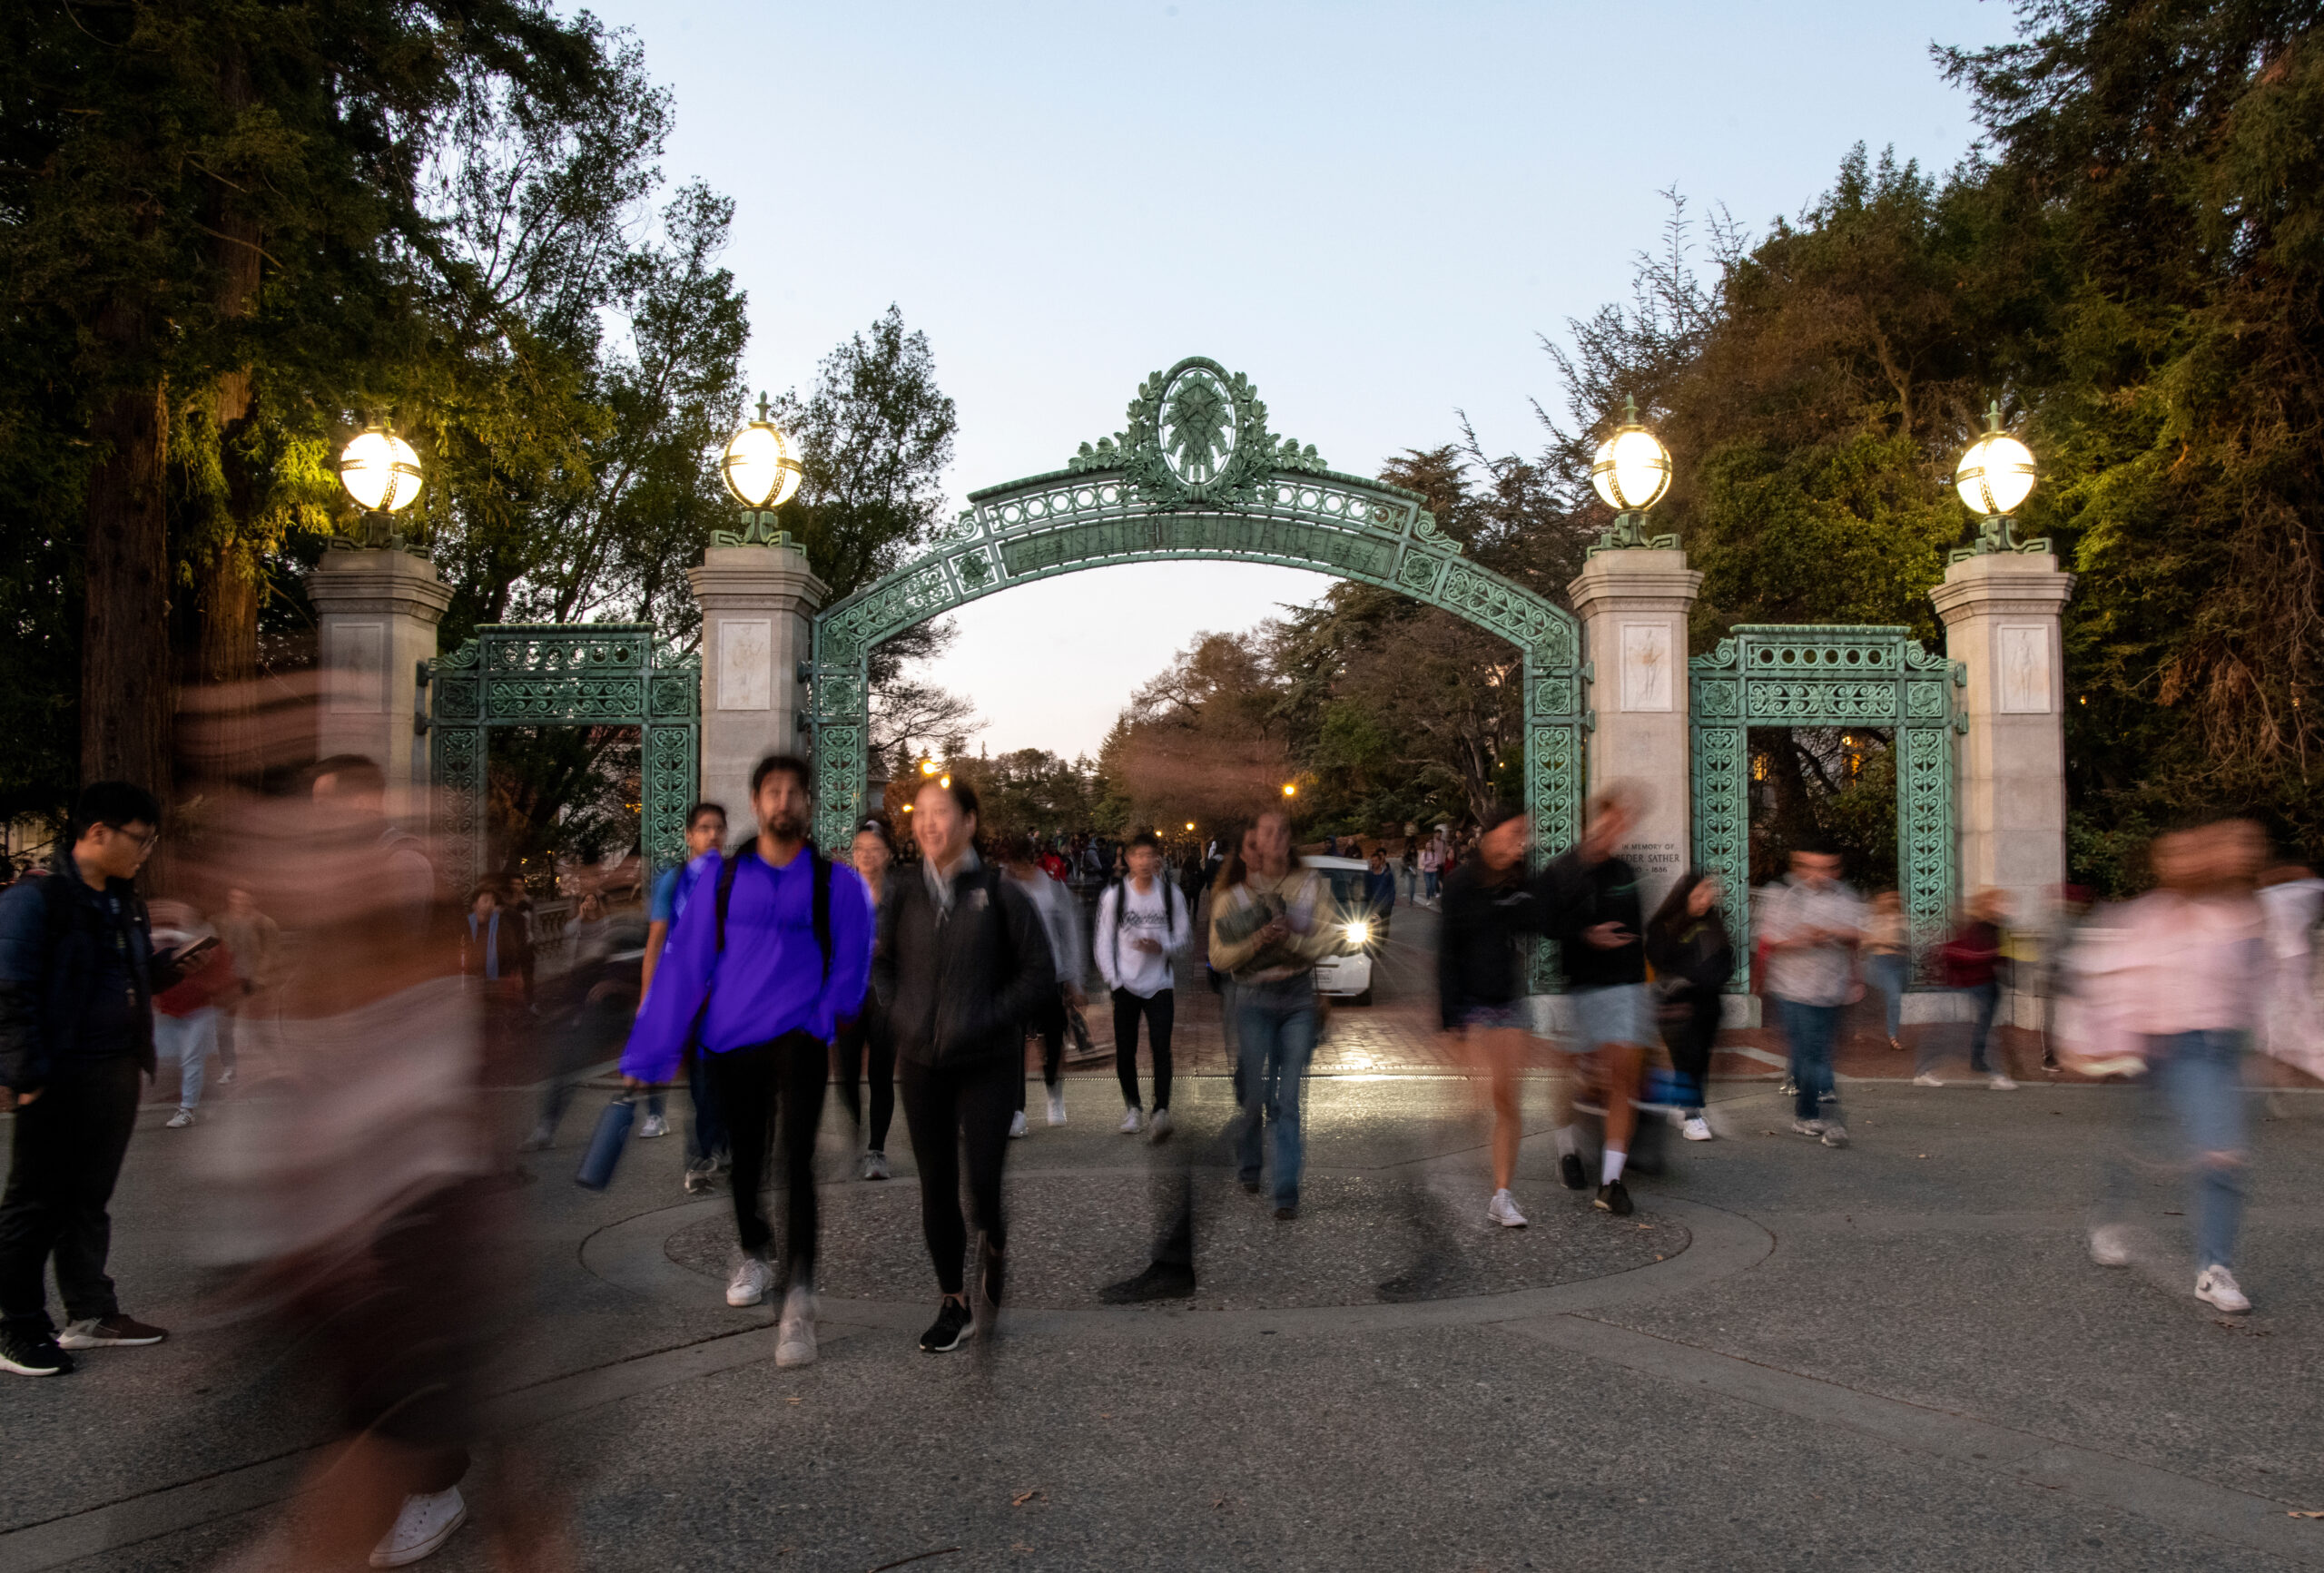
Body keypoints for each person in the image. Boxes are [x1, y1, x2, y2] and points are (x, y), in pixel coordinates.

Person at [619, 756, 872, 1370]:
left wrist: (827, 1010)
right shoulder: (722, 879)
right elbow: (686, 963)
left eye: (793, 792)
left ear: (808, 804)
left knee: (797, 1163)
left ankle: (799, 1300)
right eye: (772, 791)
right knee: (746, 1159)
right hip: (732, 1036)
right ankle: (754, 1248)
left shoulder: (833, 882)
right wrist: (650, 1048)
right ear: (757, 803)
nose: (783, 801)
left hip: (800, 1033)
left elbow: (854, 955)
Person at [0, 782, 173, 1377]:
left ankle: (91, 1314)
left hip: (115, 1069)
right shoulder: (36, 900)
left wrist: (171, 967)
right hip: (57, 1073)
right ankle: (17, 1325)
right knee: (33, 1205)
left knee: (87, 1200)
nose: (145, 850)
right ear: (97, 832)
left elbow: (129, 974)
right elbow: (9, 989)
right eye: (139, 838)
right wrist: (25, 1074)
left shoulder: (123, 901)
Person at [878, 777, 1054, 1352]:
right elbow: (879, 963)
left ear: (970, 822)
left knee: (981, 1181)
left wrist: (987, 1017)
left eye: (942, 812)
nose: (929, 823)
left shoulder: (1001, 892)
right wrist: (900, 1013)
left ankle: (994, 1241)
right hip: (921, 1061)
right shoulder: (903, 890)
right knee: (936, 1185)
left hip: (987, 1060)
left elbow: (1037, 974)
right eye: (921, 813)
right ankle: (953, 1301)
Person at [2064, 821, 2269, 1312]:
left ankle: (2214, 1267)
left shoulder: (2233, 914)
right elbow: (2106, 980)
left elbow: (2262, 987)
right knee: (2141, 1141)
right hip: (2156, 1045)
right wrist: (2091, 1045)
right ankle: (2112, 1219)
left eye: (2191, 853)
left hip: (2211, 1049)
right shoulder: (2146, 916)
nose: (2185, 863)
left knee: (2221, 1153)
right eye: (2172, 855)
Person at [1210, 809, 1337, 1221]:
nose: (1279, 837)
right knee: (1254, 1097)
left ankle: (1285, 1193)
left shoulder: (1310, 885)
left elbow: (1330, 937)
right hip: (1253, 998)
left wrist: (1296, 944)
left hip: (1298, 997)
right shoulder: (1234, 897)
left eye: (1285, 830)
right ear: (1255, 843)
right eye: (1269, 832)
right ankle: (1249, 1164)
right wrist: (1261, 938)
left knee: (1287, 1098)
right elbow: (1218, 956)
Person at [1541, 788, 1654, 1214]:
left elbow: (1639, 929)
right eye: (1611, 822)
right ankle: (1567, 1147)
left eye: (1624, 824)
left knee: (1623, 1078)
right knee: (1576, 1077)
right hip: (1580, 985)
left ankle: (1611, 1182)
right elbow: (1547, 924)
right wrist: (1586, 934)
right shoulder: (1561, 870)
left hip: (1625, 986)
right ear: (1593, 822)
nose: (1616, 831)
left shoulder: (1626, 870)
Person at [1437, 804, 1548, 1226]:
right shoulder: (1461, 884)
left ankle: (1502, 1195)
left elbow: (1539, 921)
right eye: (1515, 833)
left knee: (1507, 1098)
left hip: (1507, 1000)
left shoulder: (1519, 879)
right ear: (1492, 833)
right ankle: (1453, 1156)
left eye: (1525, 836)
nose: (1521, 842)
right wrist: (1450, 1023)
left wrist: (1521, 880)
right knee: (1482, 1097)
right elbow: (1448, 953)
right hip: (1470, 1002)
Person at [642, 801, 729, 1189]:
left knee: (728, 1077)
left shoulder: (734, 878)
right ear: (689, 835)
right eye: (704, 828)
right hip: (688, 996)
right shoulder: (673, 880)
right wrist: (648, 999)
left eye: (718, 828)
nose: (712, 835)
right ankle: (699, 1161)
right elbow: (656, 942)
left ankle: (720, 1149)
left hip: (731, 993)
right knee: (701, 1081)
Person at [1760, 841, 1866, 1148]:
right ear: (1799, 866)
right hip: (1793, 990)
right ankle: (1819, 1117)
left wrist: (1833, 933)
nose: (1821, 874)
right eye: (1813, 867)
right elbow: (1771, 940)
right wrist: (1805, 938)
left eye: (1828, 868)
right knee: (1813, 1053)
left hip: (1831, 990)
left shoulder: (1845, 895)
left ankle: (1809, 1113)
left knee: (1819, 1053)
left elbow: (1860, 931)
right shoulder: (1782, 896)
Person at [1096, 830, 1192, 1140]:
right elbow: (1102, 941)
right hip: (1126, 984)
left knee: (1161, 1047)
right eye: (1138, 855)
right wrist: (1114, 980)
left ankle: (1161, 1109)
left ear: (1157, 859)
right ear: (1128, 859)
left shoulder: (1170, 894)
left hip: (1160, 984)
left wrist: (1161, 945)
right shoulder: (1115, 896)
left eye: (1150, 855)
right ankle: (1133, 1108)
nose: (1144, 862)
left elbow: (1184, 938)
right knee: (1126, 1050)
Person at [1002, 833, 1087, 1137]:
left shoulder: (1053, 889)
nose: (1017, 869)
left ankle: (1054, 1092)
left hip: (1050, 975)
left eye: (1021, 862)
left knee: (1052, 1042)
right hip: (1013, 977)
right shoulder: (1002, 888)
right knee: (1013, 1046)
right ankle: (1017, 1110)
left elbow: (1071, 934)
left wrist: (1075, 981)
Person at [1646, 870, 1732, 1144]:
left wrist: (1708, 979)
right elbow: (1660, 961)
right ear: (1684, 897)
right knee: (1686, 1059)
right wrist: (1687, 980)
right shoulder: (1664, 926)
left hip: (1708, 1003)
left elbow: (1725, 960)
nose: (1705, 901)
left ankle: (1688, 1107)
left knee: (1700, 1059)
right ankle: (1692, 1115)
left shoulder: (1713, 924)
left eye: (1708, 894)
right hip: (1677, 1005)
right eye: (1698, 895)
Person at [837, 815, 901, 1178]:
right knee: (845, 1074)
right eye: (860, 850)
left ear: (888, 854)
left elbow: (915, 943)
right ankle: (854, 1134)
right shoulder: (841, 893)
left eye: (875, 851)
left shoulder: (900, 895)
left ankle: (876, 1148)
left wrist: (886, 946)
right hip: (847, 994)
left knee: (881, 1075)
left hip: (885, 995)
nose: (866, 856)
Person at [149, 900, 238, 1129]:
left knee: (191, 1059)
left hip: (199, 1008)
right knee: (169, 1058)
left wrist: (216, 993)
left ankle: (187, 1109)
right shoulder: (157, 938)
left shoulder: (206, 941)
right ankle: (196, 1098)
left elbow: (222, 968)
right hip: (171, 1008)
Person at [1933, 889, 2014, 1089]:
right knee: (1982, 1030)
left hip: (1987, 982)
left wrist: (2002, 958)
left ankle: (1979, 1061)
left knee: (1984, 1026)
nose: (2005, 907)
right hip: (1975, 983)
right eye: (2000, 903)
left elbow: (1994, 953)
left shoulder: (1996, 925)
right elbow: (1973, 952)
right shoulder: (1979, 926)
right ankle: (1996, 1074)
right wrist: (1993, 954)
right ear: (1988, 905)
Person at [212, 884, 281, 1086]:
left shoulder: (265, 923)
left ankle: (275, 1064)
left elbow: (271, 953)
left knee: (260, 1027)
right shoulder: (219, 921)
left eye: (243, 898)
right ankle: (229, 1068)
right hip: (228, 982)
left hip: (254, 981)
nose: (238, 902)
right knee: (224, 1028)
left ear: (252, 900)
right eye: (234, 898)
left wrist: (260, 977)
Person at [1862, 890, 1908, 1056]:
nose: (1891, 900)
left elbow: (1908, 939)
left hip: (1901, 963)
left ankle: (1882, 1029)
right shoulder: (1875, 919)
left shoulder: (1902, 918)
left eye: (1894, 898)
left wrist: (1900, 944)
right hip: (1883, 962)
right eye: (1888, 898)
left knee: (1891, 998)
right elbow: (1865, 940)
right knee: (1894, 997)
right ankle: (1892, 1037)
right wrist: (1884, 942)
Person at [1364, 848, 1397, 935]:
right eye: (1372, 861)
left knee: (1384, 927)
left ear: (1380, 861)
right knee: (1373, 929)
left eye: (1375, 861)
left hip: (1386, 906)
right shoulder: (1369, 875)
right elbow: (1367, 890)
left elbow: (1392, 890)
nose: (1374, 863)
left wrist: (1390, 903)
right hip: (1374, 906)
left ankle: (1383, 941)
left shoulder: (1387, 874)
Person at [1419, 834, 1444, 905]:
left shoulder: (1435, 854)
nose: (1428, 846)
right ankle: (1428, 899)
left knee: (1433, 886)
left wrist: (1429, 863)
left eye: (1430, 845)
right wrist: (1430, 862)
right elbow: (1422, 863)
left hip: (1434, 872)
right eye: (1427, 845)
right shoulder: (1424, 854)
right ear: (1426, 846)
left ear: (1431, 846)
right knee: (1428, 886)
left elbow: (1436, 863)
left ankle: (1431, 894)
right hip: (1426, 873)